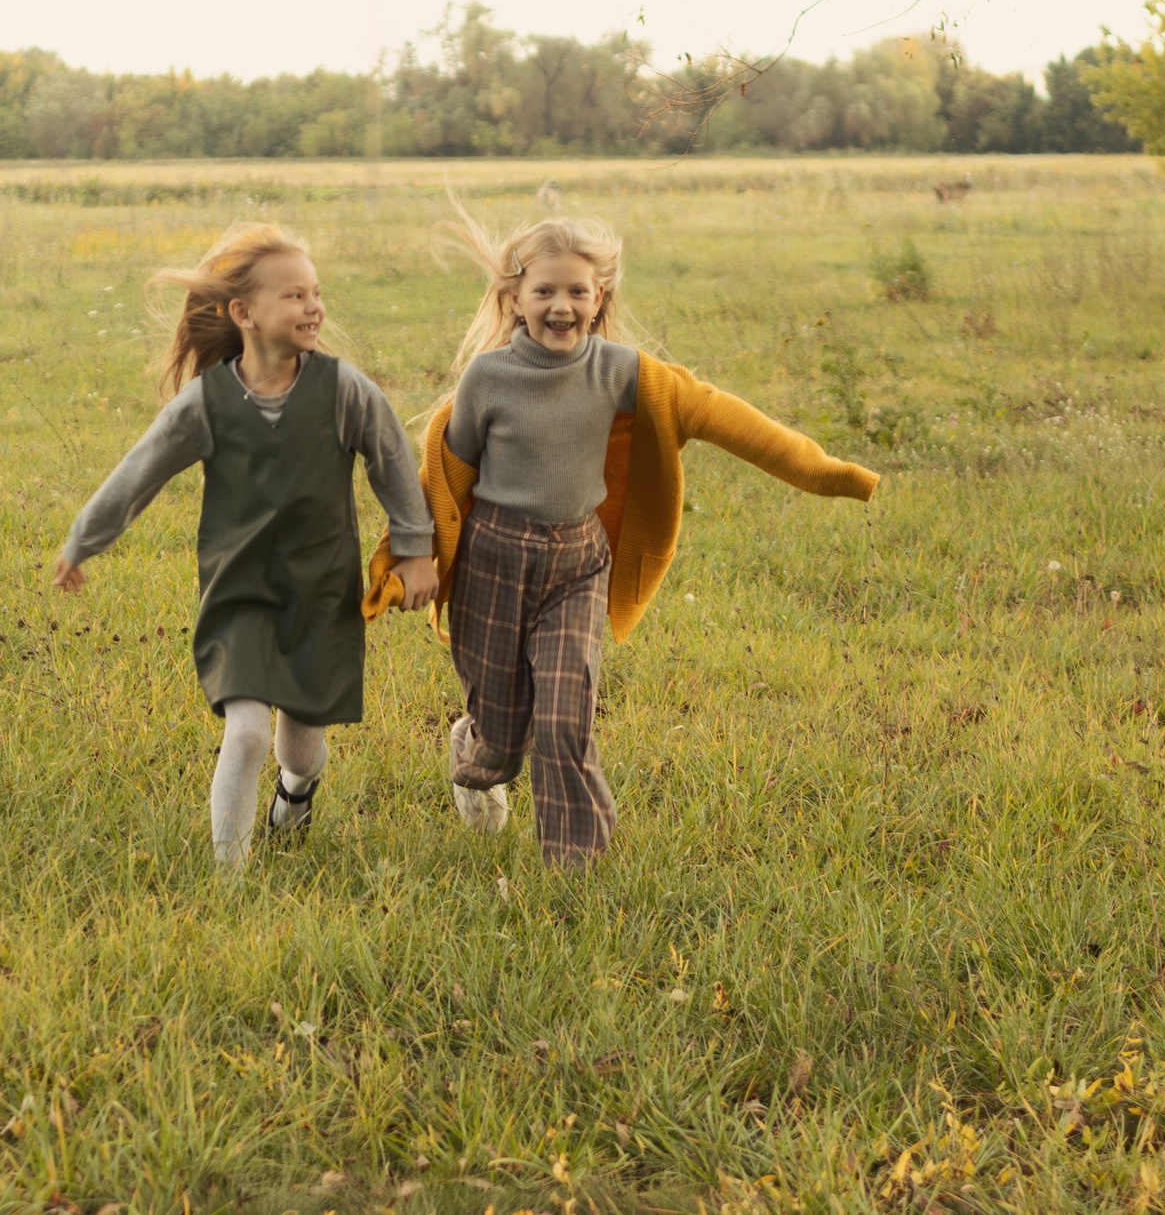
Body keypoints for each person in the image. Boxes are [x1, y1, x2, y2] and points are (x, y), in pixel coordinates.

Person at [370, 206, 877, 868]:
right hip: (495, 560)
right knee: (503, 728)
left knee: (564, 717)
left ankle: (573, 866)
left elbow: (727, 417)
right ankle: (476, 748)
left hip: (578, 566)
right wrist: (412, 556)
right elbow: (443, 478)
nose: (561, 305)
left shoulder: (622, 371)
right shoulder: (488, 379)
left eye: (577, 291)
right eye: (545, 290)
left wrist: (825, 471)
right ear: (514, 297)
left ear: (600, 296)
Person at [54, 222, 440, 872]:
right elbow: (139, 470)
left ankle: (298, 790)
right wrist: (83, 539)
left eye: (315, 292)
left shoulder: (343, 390)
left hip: (320, 594)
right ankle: (229, 880)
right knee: (248, 732)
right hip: (240, 593)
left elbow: (394, 460)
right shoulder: (206, 403)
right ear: (244, 314)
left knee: (300, 747)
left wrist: (415, 547)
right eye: (293, 295)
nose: (313, 306)